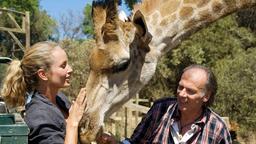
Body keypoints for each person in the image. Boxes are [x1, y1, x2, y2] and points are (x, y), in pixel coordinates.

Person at [97, 65, 232, 144]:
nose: (182, 94)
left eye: (190, 91)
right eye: (180, 87)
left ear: (206, 96)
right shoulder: (160, 110)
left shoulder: (217, 129)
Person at [1, 41, 87, 144]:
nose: (70, 69)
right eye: (63, 66)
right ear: (43, 74)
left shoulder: (60, 99)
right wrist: (73, 123)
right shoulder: (39, 115)